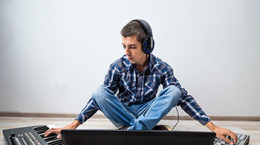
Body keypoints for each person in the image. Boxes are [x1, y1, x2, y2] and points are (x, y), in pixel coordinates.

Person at [44, 19, 237, 144]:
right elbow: (100, 99)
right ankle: (140, 130)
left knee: (175, 91)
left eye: (133, 47)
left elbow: (183, 99)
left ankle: (132, 131)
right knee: (99, 91)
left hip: (147, 111)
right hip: (123, 112)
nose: (126, 52)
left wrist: (213, 127)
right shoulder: (116, 66)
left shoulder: (162, 67)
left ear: (147, 45)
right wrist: (73, 125)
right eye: (124, 46)